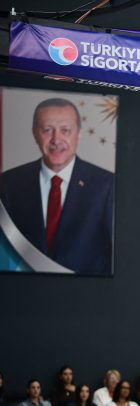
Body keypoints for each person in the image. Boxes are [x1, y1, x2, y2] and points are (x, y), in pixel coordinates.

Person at [0, 98, 114, 274]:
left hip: (85, 291)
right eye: (47, 130)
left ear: (79, 134)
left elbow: (115, 260)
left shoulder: (106, 185)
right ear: (35, 134)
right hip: (25, 289)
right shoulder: (9, 183)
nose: (56, 140)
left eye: (65, 130)